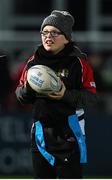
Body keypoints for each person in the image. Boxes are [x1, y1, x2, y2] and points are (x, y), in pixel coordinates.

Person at [15, 10, 98, 179]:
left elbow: (91, 98)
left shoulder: (79, 63)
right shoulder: (33, 62)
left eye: (54, 32)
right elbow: (21, 96)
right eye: (44, 32)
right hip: (41, 134)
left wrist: (65, 95)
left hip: (70, 134)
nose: (48, 36)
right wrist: (30, 88)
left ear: (66, 37)